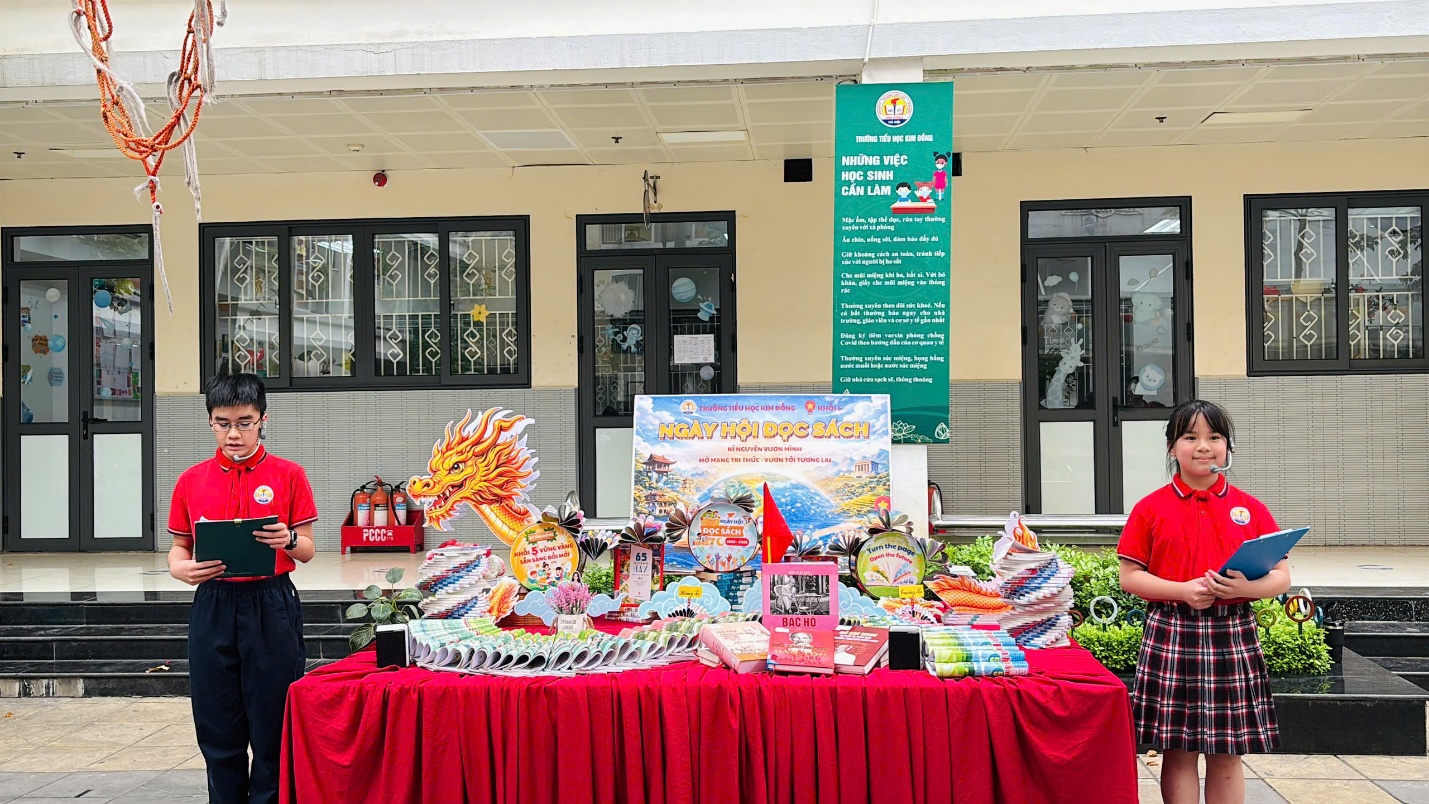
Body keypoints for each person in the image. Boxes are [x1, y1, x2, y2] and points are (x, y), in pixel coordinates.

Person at [1117, 399, 1290, 804]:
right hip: (1171, 631)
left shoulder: (1249, 507)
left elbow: (1281, 577)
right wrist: (1183, 591)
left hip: (1233, 632)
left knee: (1228, 753)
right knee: (1178, 751)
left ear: (1228, 447)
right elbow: (1130, 578)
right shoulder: (1150, 509)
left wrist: (1242, 589)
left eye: (1214, 437)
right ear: (1171, 448)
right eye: (1190, 437)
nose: (1203, 446)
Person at [167, 373, 318, 804]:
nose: (233, 433)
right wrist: (182, 571)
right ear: (210, 422)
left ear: (262, 419)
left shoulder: (289, 475)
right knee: (217, 725)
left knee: (273, 724)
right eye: (222, 422)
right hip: (213, 604)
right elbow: (179, 547)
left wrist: (287, 539)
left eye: (244, 422)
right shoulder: (192, 479)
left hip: (270, 603)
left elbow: (307, 550)